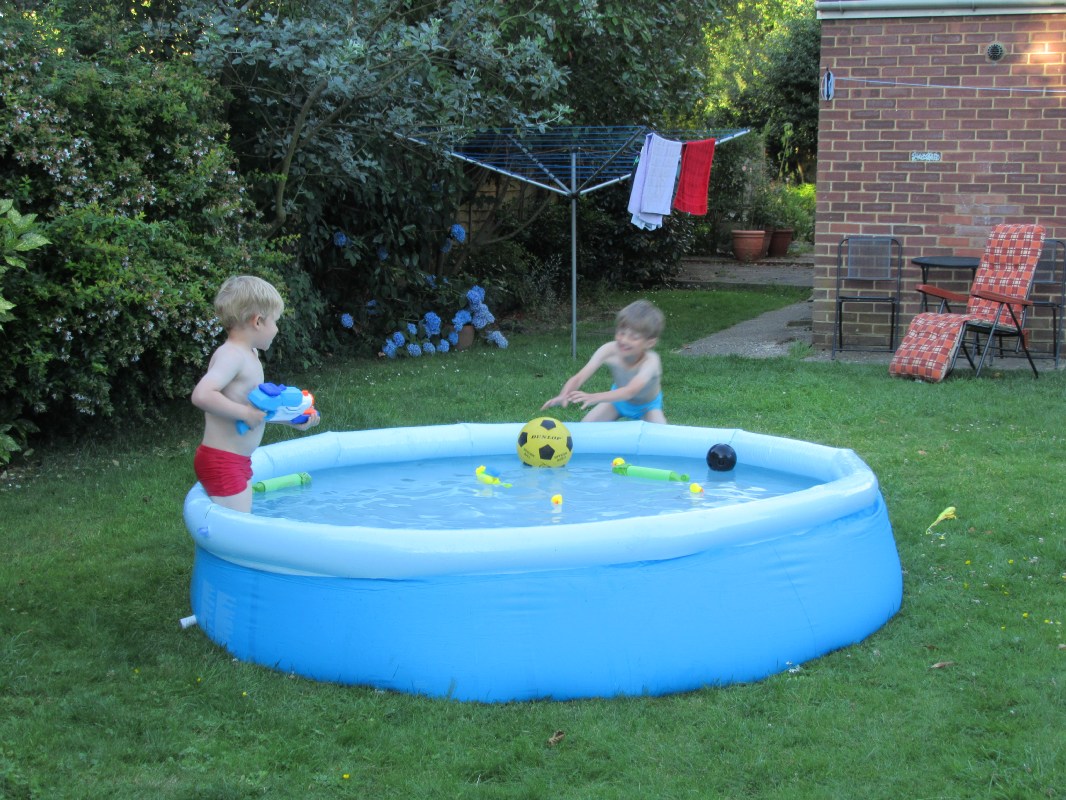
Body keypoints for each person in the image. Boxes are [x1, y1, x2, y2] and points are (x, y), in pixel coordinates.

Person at [191, 275, 319, 512]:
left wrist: (291, 420)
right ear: (258, 321)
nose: (277, 329)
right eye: (275, 321)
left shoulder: (250, 354)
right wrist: (245, 414)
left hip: (236, 460)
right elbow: (202, 395)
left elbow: (255, 411)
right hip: (223, 461)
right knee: (238, 528)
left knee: (241, 522)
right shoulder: (232, 355)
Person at [541, 299, 667, 423]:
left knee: (662, 435)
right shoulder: (609, 350)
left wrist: (594, 397)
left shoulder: (651, 362)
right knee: (585, 427)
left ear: (650, 343)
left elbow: (630, 391)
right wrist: (564, 394)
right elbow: (579, 377)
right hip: (617, 401)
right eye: (621, 333)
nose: (624, 340)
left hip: (647, 407)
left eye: (634, 337)